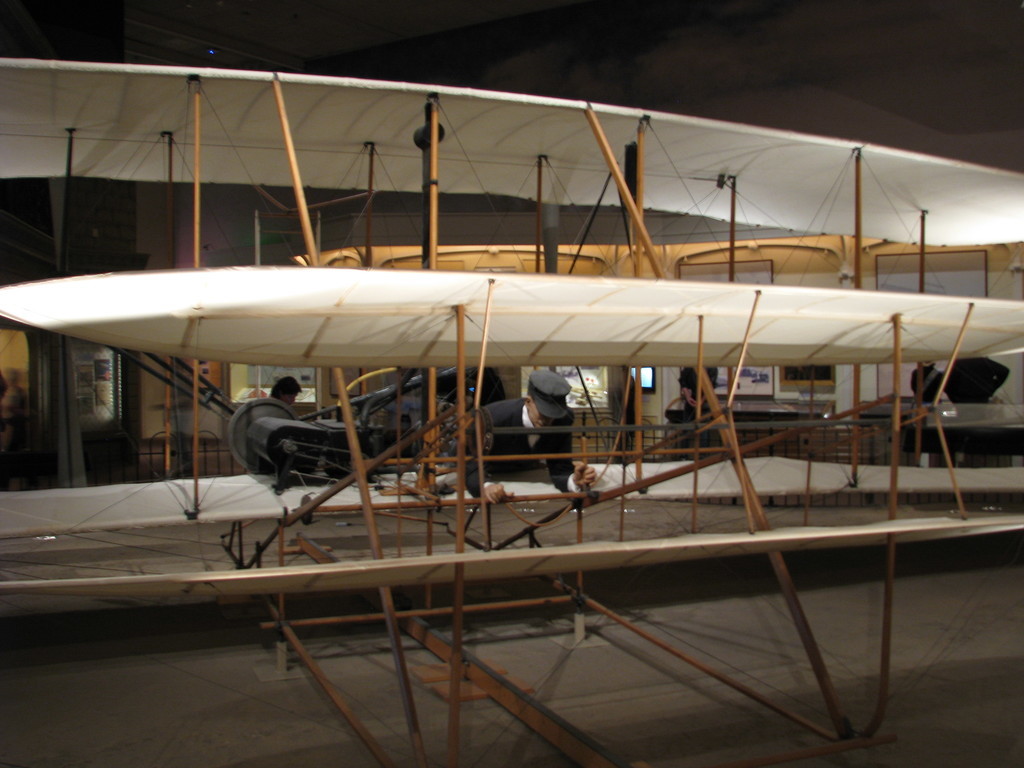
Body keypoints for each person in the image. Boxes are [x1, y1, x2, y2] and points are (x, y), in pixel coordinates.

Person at [465, 369, 596, 504]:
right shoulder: (491, 418)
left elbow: (560, 467)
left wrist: (573, 481)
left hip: (528, 470)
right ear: (528, 401)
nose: (549, 420)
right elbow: (471, 464)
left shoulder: (564, 418)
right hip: (491, 471)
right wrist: (486, 486)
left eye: (554, 415)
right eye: (544, 413)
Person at [911, 358, 1009, 404]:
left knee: (957, 419)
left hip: (961, 401)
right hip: (981, 399)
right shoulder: (984, 361)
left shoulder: (957, 363)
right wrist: (991, 389)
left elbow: (947, 382)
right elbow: (1004, 371)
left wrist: (953, 395)